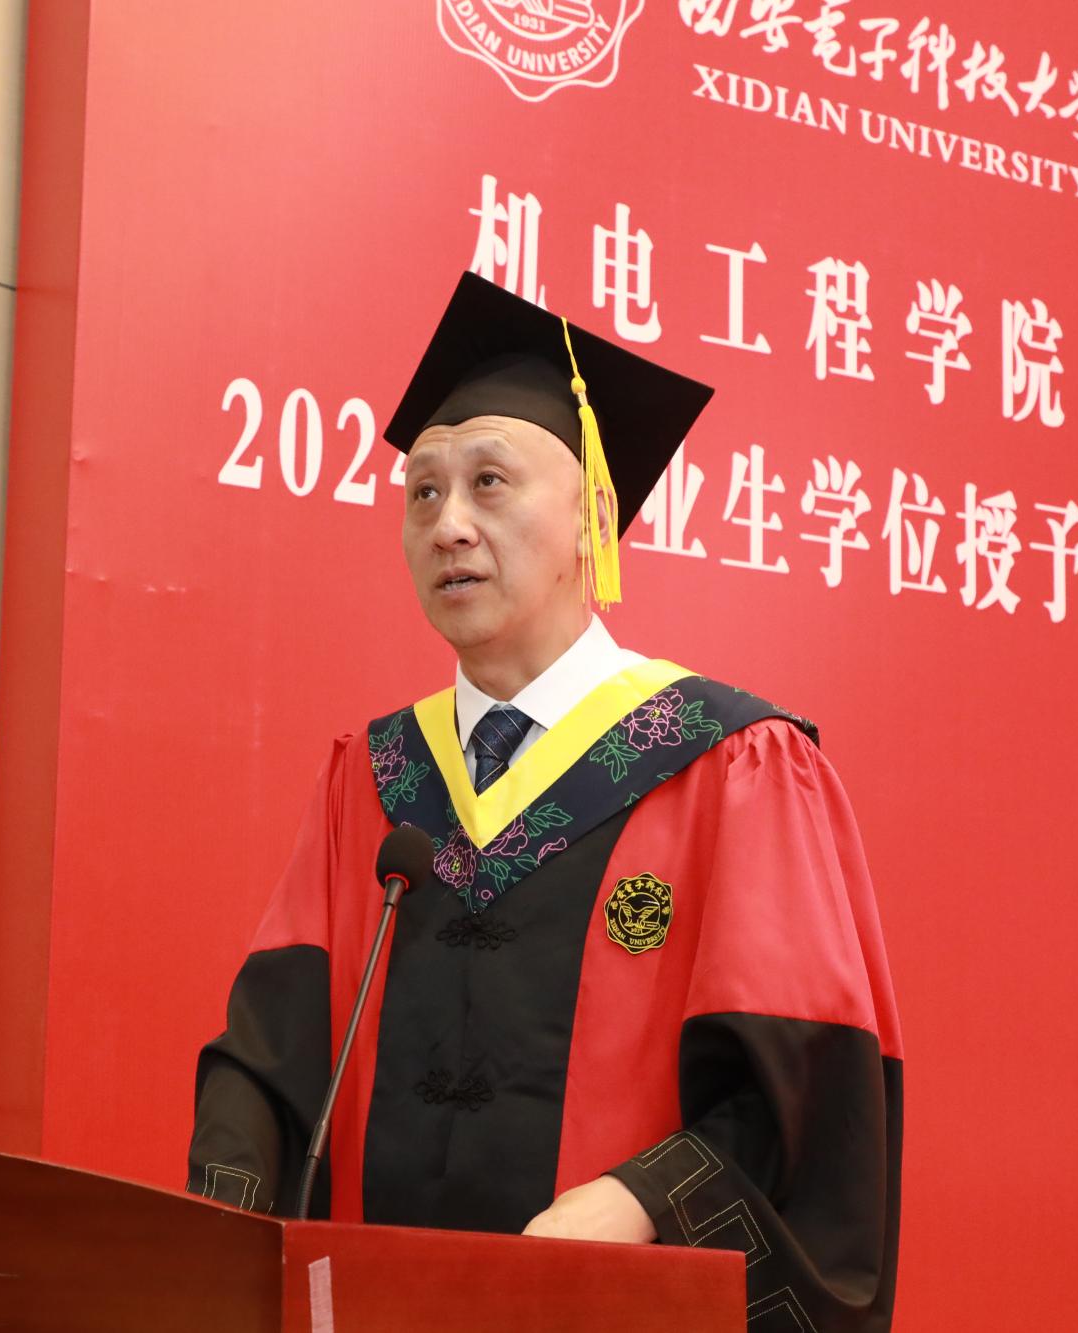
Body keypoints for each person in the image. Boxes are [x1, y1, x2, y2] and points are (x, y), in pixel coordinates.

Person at [189, 271, 901, 1331]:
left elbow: (802, 1092)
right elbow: (270, 1054)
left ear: (592, 519)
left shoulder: (729, 765)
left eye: (489, 482)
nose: (448, 524)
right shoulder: (374, 776)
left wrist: (641, 1199)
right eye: (422, 492)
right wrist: (213, 1243)